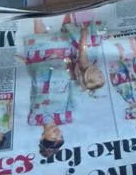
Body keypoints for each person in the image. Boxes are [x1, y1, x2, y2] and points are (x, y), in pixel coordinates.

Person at [23, 18, 104, 159]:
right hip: (64, 71)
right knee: (66, 36)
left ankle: (37, 15)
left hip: (41, 70)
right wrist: (80, 81)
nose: (57, 134)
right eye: (60, 137)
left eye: (53, 138)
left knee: (41, 37)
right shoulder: (66, 118)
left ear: (42, 137)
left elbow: (32, 95)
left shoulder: (34, 119)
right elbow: (73, 95)